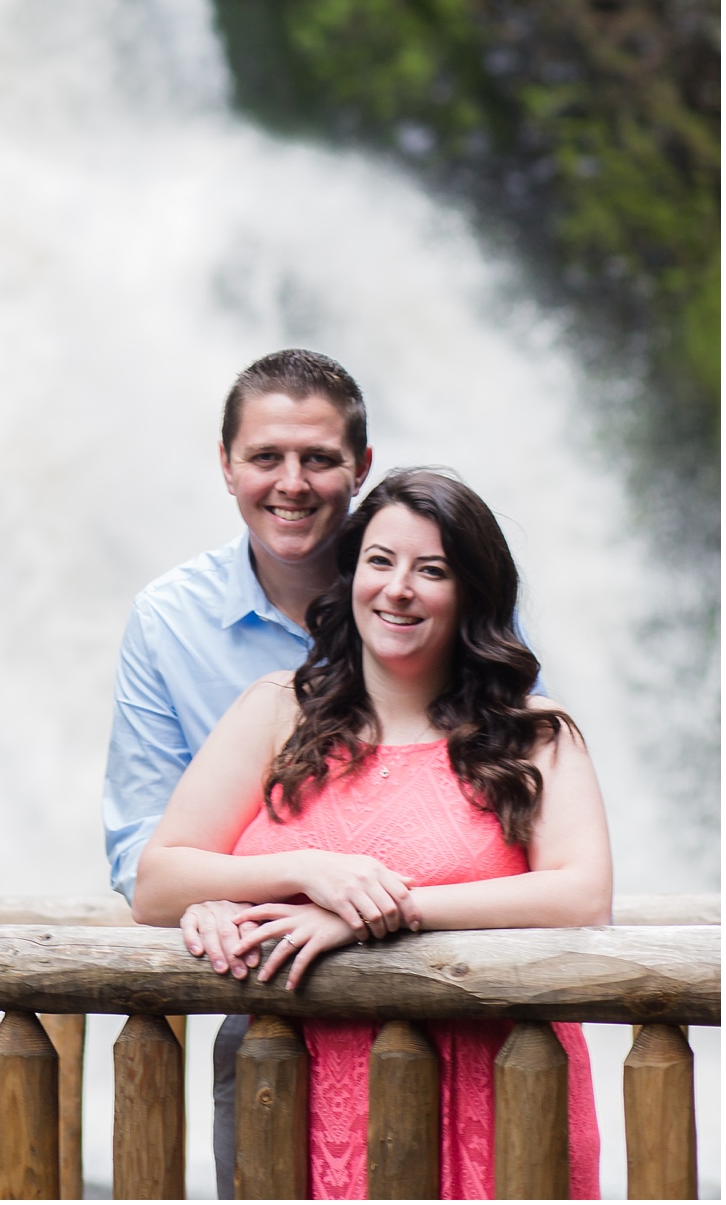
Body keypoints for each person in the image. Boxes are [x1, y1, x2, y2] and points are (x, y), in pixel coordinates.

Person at [133, 469, 608, 1201]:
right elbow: (158, 880)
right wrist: (309, 871)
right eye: (380, 561)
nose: (398, 588)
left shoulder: (534, 732)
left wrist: (383, 912)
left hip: (499, 1087)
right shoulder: (274, 710)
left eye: (433, 569)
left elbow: (581, 895)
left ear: (472, 592)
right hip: (295, 1087)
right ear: (350, 574)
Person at [104, 348, 373, 1191]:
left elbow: (516, 780)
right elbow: (139, 845)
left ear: (361, 466)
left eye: (319, 458)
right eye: (265, 457)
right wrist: (213, 889)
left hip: (453, 993)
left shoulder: (431, 589)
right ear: (226, 465)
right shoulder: (168, 619)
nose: (290, 482)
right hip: (269, 1017)